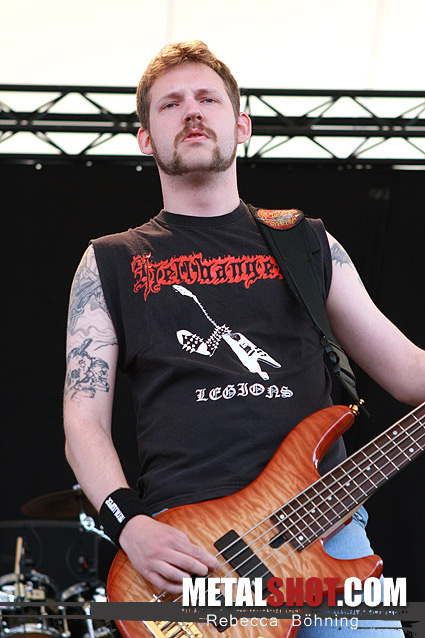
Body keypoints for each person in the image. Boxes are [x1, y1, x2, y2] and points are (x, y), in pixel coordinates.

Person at [63, 40, 424, 636]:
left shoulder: (306, 242)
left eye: (208, 98)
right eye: (171, 103)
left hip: (327, 532)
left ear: (242, 125)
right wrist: (129, 524)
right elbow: (83, 422)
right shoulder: (109, 261)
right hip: (191, 546)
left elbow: (410, 374)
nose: (192, 111)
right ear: (146, 139)